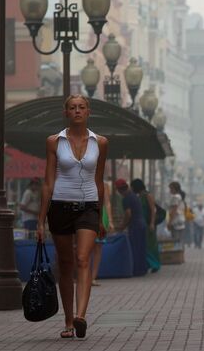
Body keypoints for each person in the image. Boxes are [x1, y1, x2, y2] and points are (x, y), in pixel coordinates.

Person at [37, 94, 108, 339]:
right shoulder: (54, 141)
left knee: (82, 258)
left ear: (89, 112)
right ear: (66, 113)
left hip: (88, 206)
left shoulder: (100, 142)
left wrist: (101, 217)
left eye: (81, 107)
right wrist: (40, 220)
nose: (77, 111)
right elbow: (47, 182)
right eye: (72, 108)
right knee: (65, 265)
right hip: (59, 206)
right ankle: (68, 321)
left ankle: (81, 316)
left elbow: (99, 182)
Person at [116, 179, 148, 277]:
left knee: (135, 248)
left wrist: (122, 226)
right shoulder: (134, 196)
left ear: (119, 190)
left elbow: (128, 214)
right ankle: (142, 269)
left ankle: (136, 270)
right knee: (141, 248)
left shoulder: (126, 199)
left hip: (135, 226)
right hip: (142, 224)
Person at [131, 178, 160, 273]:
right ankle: (147, 264)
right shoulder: (138, 196)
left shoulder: (148, 195)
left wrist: (152, 223)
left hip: (149, 224)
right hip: (142, 223)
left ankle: (155, 264)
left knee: (151, 245)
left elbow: (153, 210)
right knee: (145, 244)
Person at [90, 180, 114, 286]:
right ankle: (84, 276)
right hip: (86, 214)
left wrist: (110, 220)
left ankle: (93, 277)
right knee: (85, 247)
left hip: (101, 216)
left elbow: (107, 203)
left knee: (98, 247)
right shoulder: (82, 180)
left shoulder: (104, 185)